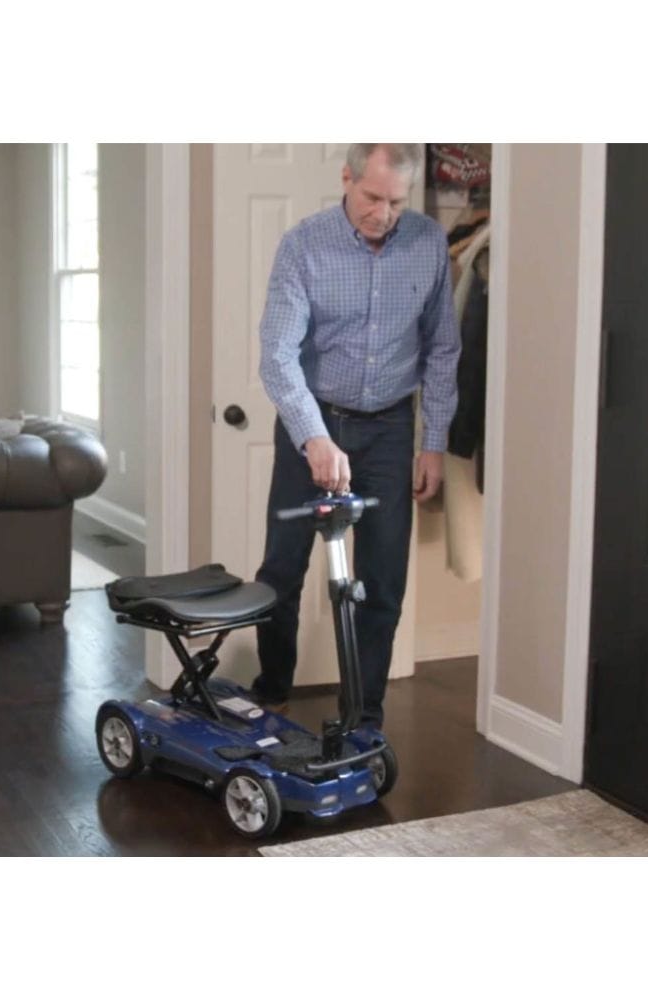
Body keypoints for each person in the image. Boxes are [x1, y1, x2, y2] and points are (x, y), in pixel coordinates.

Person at [250, 143, 461, 729]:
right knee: (282, 571)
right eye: (372, 197)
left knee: (383, 583)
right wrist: (314, 437)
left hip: (390, 429)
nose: (383, 214)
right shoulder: (304, 246)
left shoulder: (428, 245)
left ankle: (362, 717)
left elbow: (443, 349)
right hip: (314, 423)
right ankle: (272, 694)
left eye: (395, 201)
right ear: (346, 179)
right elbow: (277, 356)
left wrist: (433, 443)